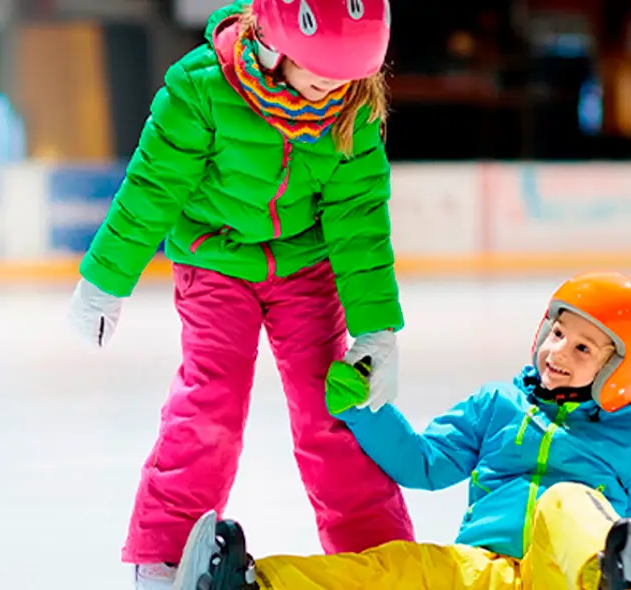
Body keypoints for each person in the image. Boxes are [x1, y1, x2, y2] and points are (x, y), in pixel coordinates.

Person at [65, 0, 414, 588]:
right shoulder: (200, 88)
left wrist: (376, 326)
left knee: (337, 407)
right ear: (275, 42)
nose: (328, 89)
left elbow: (358, 221)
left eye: (346, 76)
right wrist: (105, 281)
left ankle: (376, 555)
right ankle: (168, 553)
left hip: (306, 269)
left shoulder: (351, 108)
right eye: (315, 70)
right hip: (215, 264)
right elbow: (152, 188)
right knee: (212, 403)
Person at [173, 271, 631, 590]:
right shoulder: (498, 405)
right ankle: (252, 583)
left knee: (567, 500)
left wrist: (622, 563)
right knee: (395, 567)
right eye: (559, 332)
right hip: (481, 571)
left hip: (566, 580)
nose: (557, 352)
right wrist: (365, 409)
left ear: (625, 370)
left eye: (583, 349)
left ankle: (606, 582)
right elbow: (425, 463)